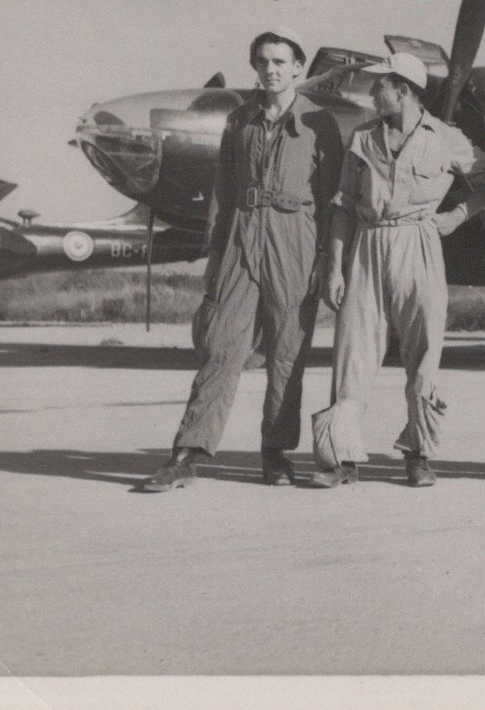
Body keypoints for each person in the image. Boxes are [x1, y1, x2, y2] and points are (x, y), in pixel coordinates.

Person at [143, 29, 343, 491]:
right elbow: (223, 191)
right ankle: (186, 455)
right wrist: (216, 256)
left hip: (295, 239)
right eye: (262, 61)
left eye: (280, 61)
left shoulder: (321, 123)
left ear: (297, 67)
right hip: (240, 235)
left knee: (287, 354)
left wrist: (328, 262)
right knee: (220, 346)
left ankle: (275, 454)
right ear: (255, 67)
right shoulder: (239, 120)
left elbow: (334, 200)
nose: (270, 70)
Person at [310, 52, 485, 488]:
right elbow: (343, 207)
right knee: (353, 350)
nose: (373, 93)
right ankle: (341, 457)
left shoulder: (446, 139)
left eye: (381, 86)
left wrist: (458, 216)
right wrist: (334, 269)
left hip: (419, 243)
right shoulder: (362, 138)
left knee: (424, 348)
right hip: (369, 243)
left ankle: (418, 453)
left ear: (405, 90)